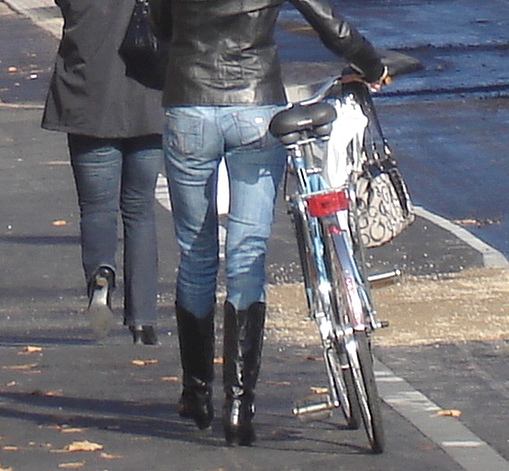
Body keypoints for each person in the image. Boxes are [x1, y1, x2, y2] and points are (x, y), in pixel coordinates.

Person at [150, 0, 387, 445]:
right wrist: (370, 65)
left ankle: (197, 389)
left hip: (189, 101)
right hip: (256, 104)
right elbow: (330, 25)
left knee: (196, 253)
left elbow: (162, 24)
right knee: (248, 251)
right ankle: (239, 405)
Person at [42, 0, 164, 345]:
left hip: (88, 93)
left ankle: (101, 273)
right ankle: (143, 320)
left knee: (97, 206)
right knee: (140, 209)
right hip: (148, 91)